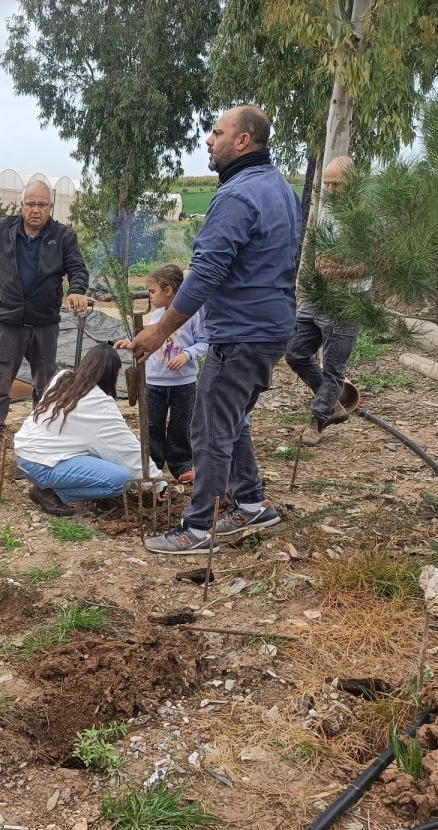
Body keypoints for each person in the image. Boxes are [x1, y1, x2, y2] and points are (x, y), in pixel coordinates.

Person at [120, 105, 300, 554]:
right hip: (269, 326)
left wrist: (160, 331)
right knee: (231, 418)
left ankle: (198, 529)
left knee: (207, 429)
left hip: (242, 333)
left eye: (216, 132)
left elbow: (204, 274)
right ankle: (253, 501)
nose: (208, 140)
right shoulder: (279, 188)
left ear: (242, 141)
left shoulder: (237, 196)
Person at [0, 180, 90, 456]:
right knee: (0, 379)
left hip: (45, 322)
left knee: (45, 383)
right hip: (9, 320)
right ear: (21, 205)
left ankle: (42, 432)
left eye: (42, 205)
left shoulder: (64, 236)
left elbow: (77, 268)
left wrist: (77, 291)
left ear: (51, 207)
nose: (36, 210)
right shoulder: (0, 230)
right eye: (30, 204)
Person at [14, 343, 164, 516]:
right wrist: (156, 482)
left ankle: (54, 484)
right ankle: (49, 493)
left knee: (100, 452)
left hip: (24, 456)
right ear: (111, 375)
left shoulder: (63, 378)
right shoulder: (99, 404)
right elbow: (126, 448)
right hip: (43, 464)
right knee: (120, 481)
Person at [286, 155, 364, 447]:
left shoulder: (366, 215)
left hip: (347, 299)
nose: (331, 190)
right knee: (295, 352)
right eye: (327, 184)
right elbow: (313, 253)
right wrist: (306, 285)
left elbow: (375, 262)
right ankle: (333, 403)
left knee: (334, 367)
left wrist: (339, 269)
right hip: (318, 295)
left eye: (337, 184)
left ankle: (316, 423)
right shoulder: (325, 211)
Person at [144, 264, 207, 484]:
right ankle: (153, 466)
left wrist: (187, 355)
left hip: (184, 382)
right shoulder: (155, 316)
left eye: (153, 292)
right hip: (154, 381)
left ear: (168, 290)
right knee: (153, 424)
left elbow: (204, 341)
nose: (150, 296)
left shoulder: (193, 314)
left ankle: (181, 465)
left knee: (181, 424)